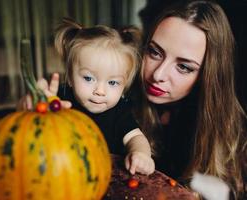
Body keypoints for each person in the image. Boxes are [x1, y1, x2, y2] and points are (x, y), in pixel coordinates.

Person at [133, 0, 247, 198]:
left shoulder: (231, 141)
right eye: (154, 52)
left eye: (184, 67)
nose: (159, 74)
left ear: (207, 76)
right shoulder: (117, 95)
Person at [17, 18, 155, 175]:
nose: (100, 91)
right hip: (60, 173)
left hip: (108, 177)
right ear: (69, 76)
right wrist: (32, 103)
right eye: (89, 78)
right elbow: (25, 126)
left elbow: (135, 138)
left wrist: (141, 154)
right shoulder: (60, 99)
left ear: (124, 86)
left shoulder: (120, 111)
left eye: (113, 83)